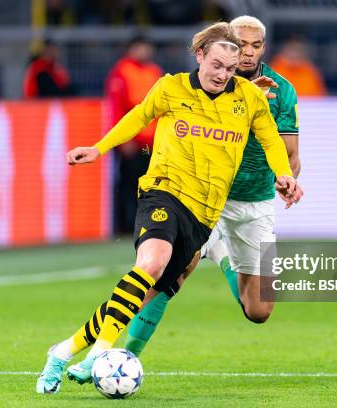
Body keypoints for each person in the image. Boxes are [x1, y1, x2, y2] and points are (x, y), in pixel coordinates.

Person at [35, 21, 303, 394]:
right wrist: (99, 148)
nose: (223, 75)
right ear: (200, 57)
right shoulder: (171, 87)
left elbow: (272, 140)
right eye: (216, 66)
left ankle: (63, 351)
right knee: (151, 263)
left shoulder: (249, 96)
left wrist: (283, 175)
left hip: (203, 214)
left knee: (141, 294)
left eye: (230, 68)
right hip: (164, 193)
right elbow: (139, 116)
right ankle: (101, 354)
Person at [119, 15, 302, 357]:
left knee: (259, 311)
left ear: (265, 47)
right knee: (170, 273)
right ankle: (119, 355)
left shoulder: (281, 91)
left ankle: (222, 255)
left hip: (254, 201)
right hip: (203, 196)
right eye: (240, 44)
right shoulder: (202, 84)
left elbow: (291, 155)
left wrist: (287, 179)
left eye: (256, 45)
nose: (247, 52)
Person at [106, 35, 163, 233]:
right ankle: (126, 225)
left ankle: (150, 222)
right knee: (128, 183)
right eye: (141, 47)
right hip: (132, 140)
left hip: (152, 140)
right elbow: (116, 108)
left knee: (153, 183)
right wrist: (123, 139)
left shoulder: (154, 71)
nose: (145, 52)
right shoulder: (122, 71)